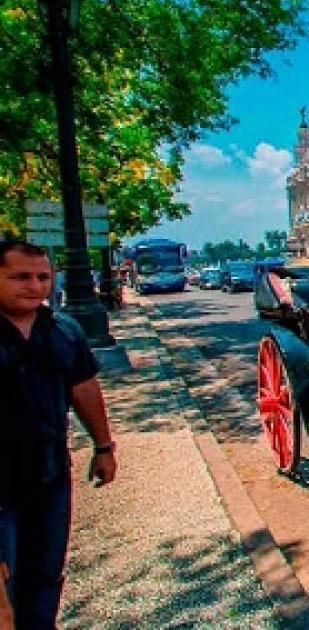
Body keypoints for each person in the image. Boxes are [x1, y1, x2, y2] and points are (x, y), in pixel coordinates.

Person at [0, 239, 117, 629]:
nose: (33, 286)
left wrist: (104, 446)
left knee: (44, 574)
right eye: (19, 277)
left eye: (42, 278)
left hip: (49, 476)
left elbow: (84, 388)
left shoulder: (64, 330)